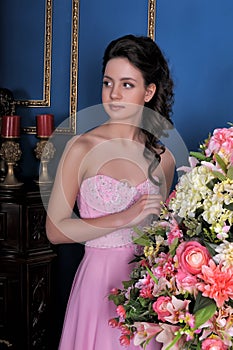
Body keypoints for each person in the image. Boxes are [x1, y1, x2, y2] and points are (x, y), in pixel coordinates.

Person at [46, 34, 175, 350]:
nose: (114, 94)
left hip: (145, 290)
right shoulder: (81, 147)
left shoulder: (164, 158)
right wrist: (124, 217)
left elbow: (163, 235)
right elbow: (56, 230)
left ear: (149, 91)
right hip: (97, 286)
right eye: (108, 83)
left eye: (127, 85)